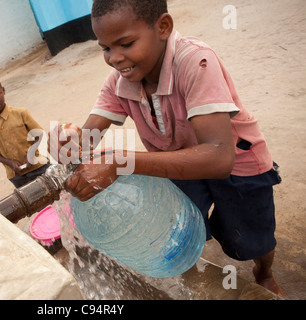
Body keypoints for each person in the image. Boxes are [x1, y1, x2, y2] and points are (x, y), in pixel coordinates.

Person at [51, 0, 283, 296]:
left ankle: (263, 272)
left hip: (238, 161)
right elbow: (87, 136)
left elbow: (219, 156)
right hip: (180, 163)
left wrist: (120, 162)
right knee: (179, 226)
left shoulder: (195, 62)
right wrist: (70, 141)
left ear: (163, 27)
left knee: (252, 238)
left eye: (126, 44)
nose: (115, 58)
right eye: (106, 48)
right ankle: (192, 262)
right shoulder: (120, 81)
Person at [0, 73, 49, 188]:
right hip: (16, 175)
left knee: (55, 194)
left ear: (3, 91)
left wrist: (30, 154)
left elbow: (39, 135)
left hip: (39, 166)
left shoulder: (21, 113)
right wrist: (9, 162)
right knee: (32, 201)